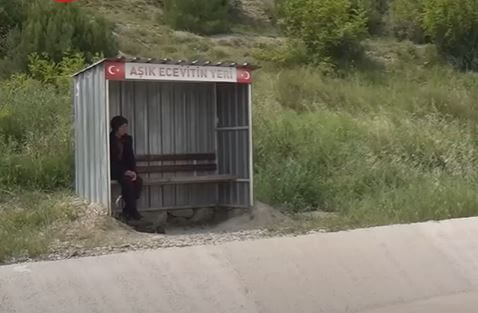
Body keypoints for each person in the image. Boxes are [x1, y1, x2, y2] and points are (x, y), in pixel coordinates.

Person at [110, 116, 143, 220]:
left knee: (138, 181)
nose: (125, 129)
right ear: (116, 127)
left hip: (127, 170)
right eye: (123, 127)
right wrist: (124, 171)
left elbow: (130, 157)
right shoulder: (109, 139)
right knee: (127, 182)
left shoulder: (128, 139)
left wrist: (134, 172)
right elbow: (110, 161)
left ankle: (127, 210)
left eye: (126, 127)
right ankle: (133, 211)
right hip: (114, 169)